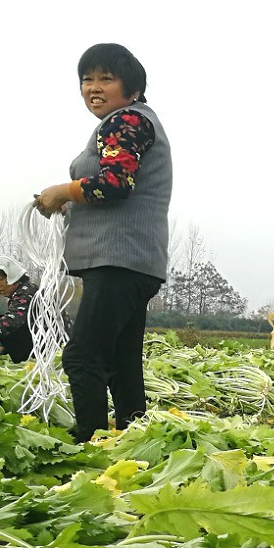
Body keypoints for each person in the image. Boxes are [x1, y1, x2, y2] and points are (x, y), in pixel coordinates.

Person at [33, 43, 172, 443]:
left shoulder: (126, 120)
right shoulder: (132, 121)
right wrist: (69, 200)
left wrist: (64, 190)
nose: (93, 87)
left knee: (82, 356)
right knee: (120, 360)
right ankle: (135, 440)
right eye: (86, 80)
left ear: (132, 88)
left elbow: (113, 184)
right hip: (132, 261)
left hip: (119, 259)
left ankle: (90, 446)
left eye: (105, 79)